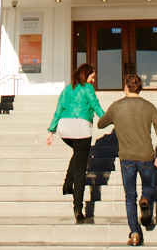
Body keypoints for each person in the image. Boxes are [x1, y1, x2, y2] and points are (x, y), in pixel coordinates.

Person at [97, 74, 157, 247]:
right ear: (140, 88)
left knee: (129, 196)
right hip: (146, 156)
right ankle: (145, 199)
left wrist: (114, 116)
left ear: (126, 87)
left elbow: (100, 124)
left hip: (127, 157)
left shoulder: (117, 106)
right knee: (148, 187)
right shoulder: (149, 106)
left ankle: (135, 233)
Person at [46, 63, 104, 222]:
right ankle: (78, 208)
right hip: (81, 128)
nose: (94, 80)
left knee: (78, 153)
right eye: (93, 76)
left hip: (64, 129)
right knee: (80, 169)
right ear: (87, 74)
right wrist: (109, 119)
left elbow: (59, 109)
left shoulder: (67, 89)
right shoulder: (88, 89)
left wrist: (51, 131)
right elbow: (96, 106)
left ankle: (66, 184)